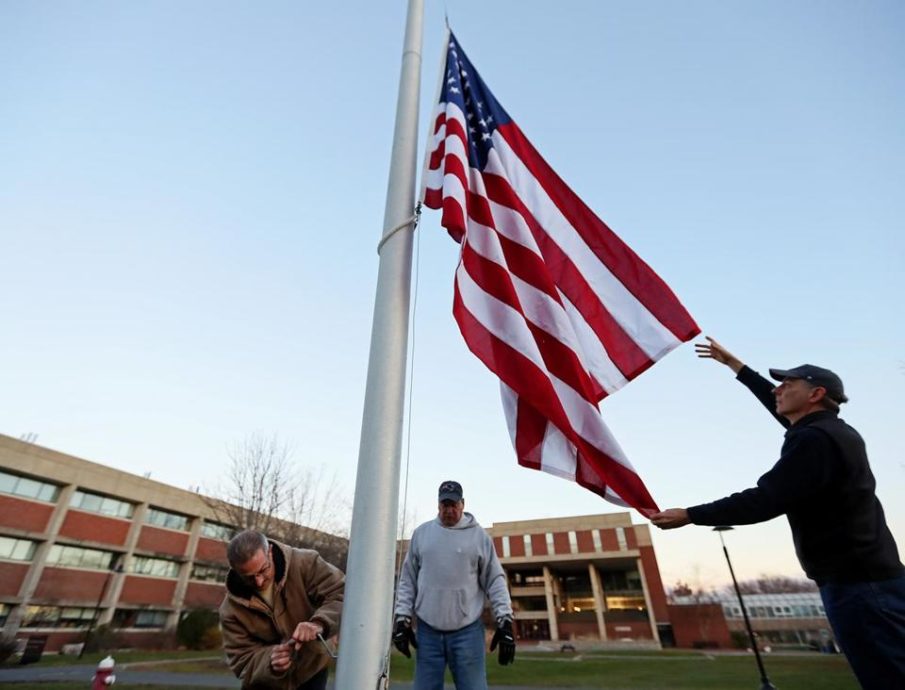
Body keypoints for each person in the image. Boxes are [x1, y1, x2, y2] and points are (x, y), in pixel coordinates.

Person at [650, 337, 905, 690]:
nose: (778, 390)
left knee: (888, 678)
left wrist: (691, 514)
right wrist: (736, 367)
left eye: (788, 384)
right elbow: (773, 401)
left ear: (815, 394)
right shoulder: (826, 432)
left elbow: (766, 500)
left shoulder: (816, 440)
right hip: (866, 580)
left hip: (860, 586)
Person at [393, 480, 515, 690]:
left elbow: (495, 580)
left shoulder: (479, 537)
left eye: (453, 505)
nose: (449, 511)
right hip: (428, 631)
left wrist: (505, 620)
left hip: (467, 632)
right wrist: (401, 618)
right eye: (444, 505)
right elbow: (408, 580)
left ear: (463, 504)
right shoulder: (422, 534)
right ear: (438, 505)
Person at [219, 530, 344, 690]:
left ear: (270, 551)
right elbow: (241, 661)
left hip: (312, 670)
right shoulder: (230, 610)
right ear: (236, 571)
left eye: (263, 570)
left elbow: (340, 593)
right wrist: (269, 661)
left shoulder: (305, 563)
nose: (259, 581)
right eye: (249, 577)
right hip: (266, 684)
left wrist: (319, 623)